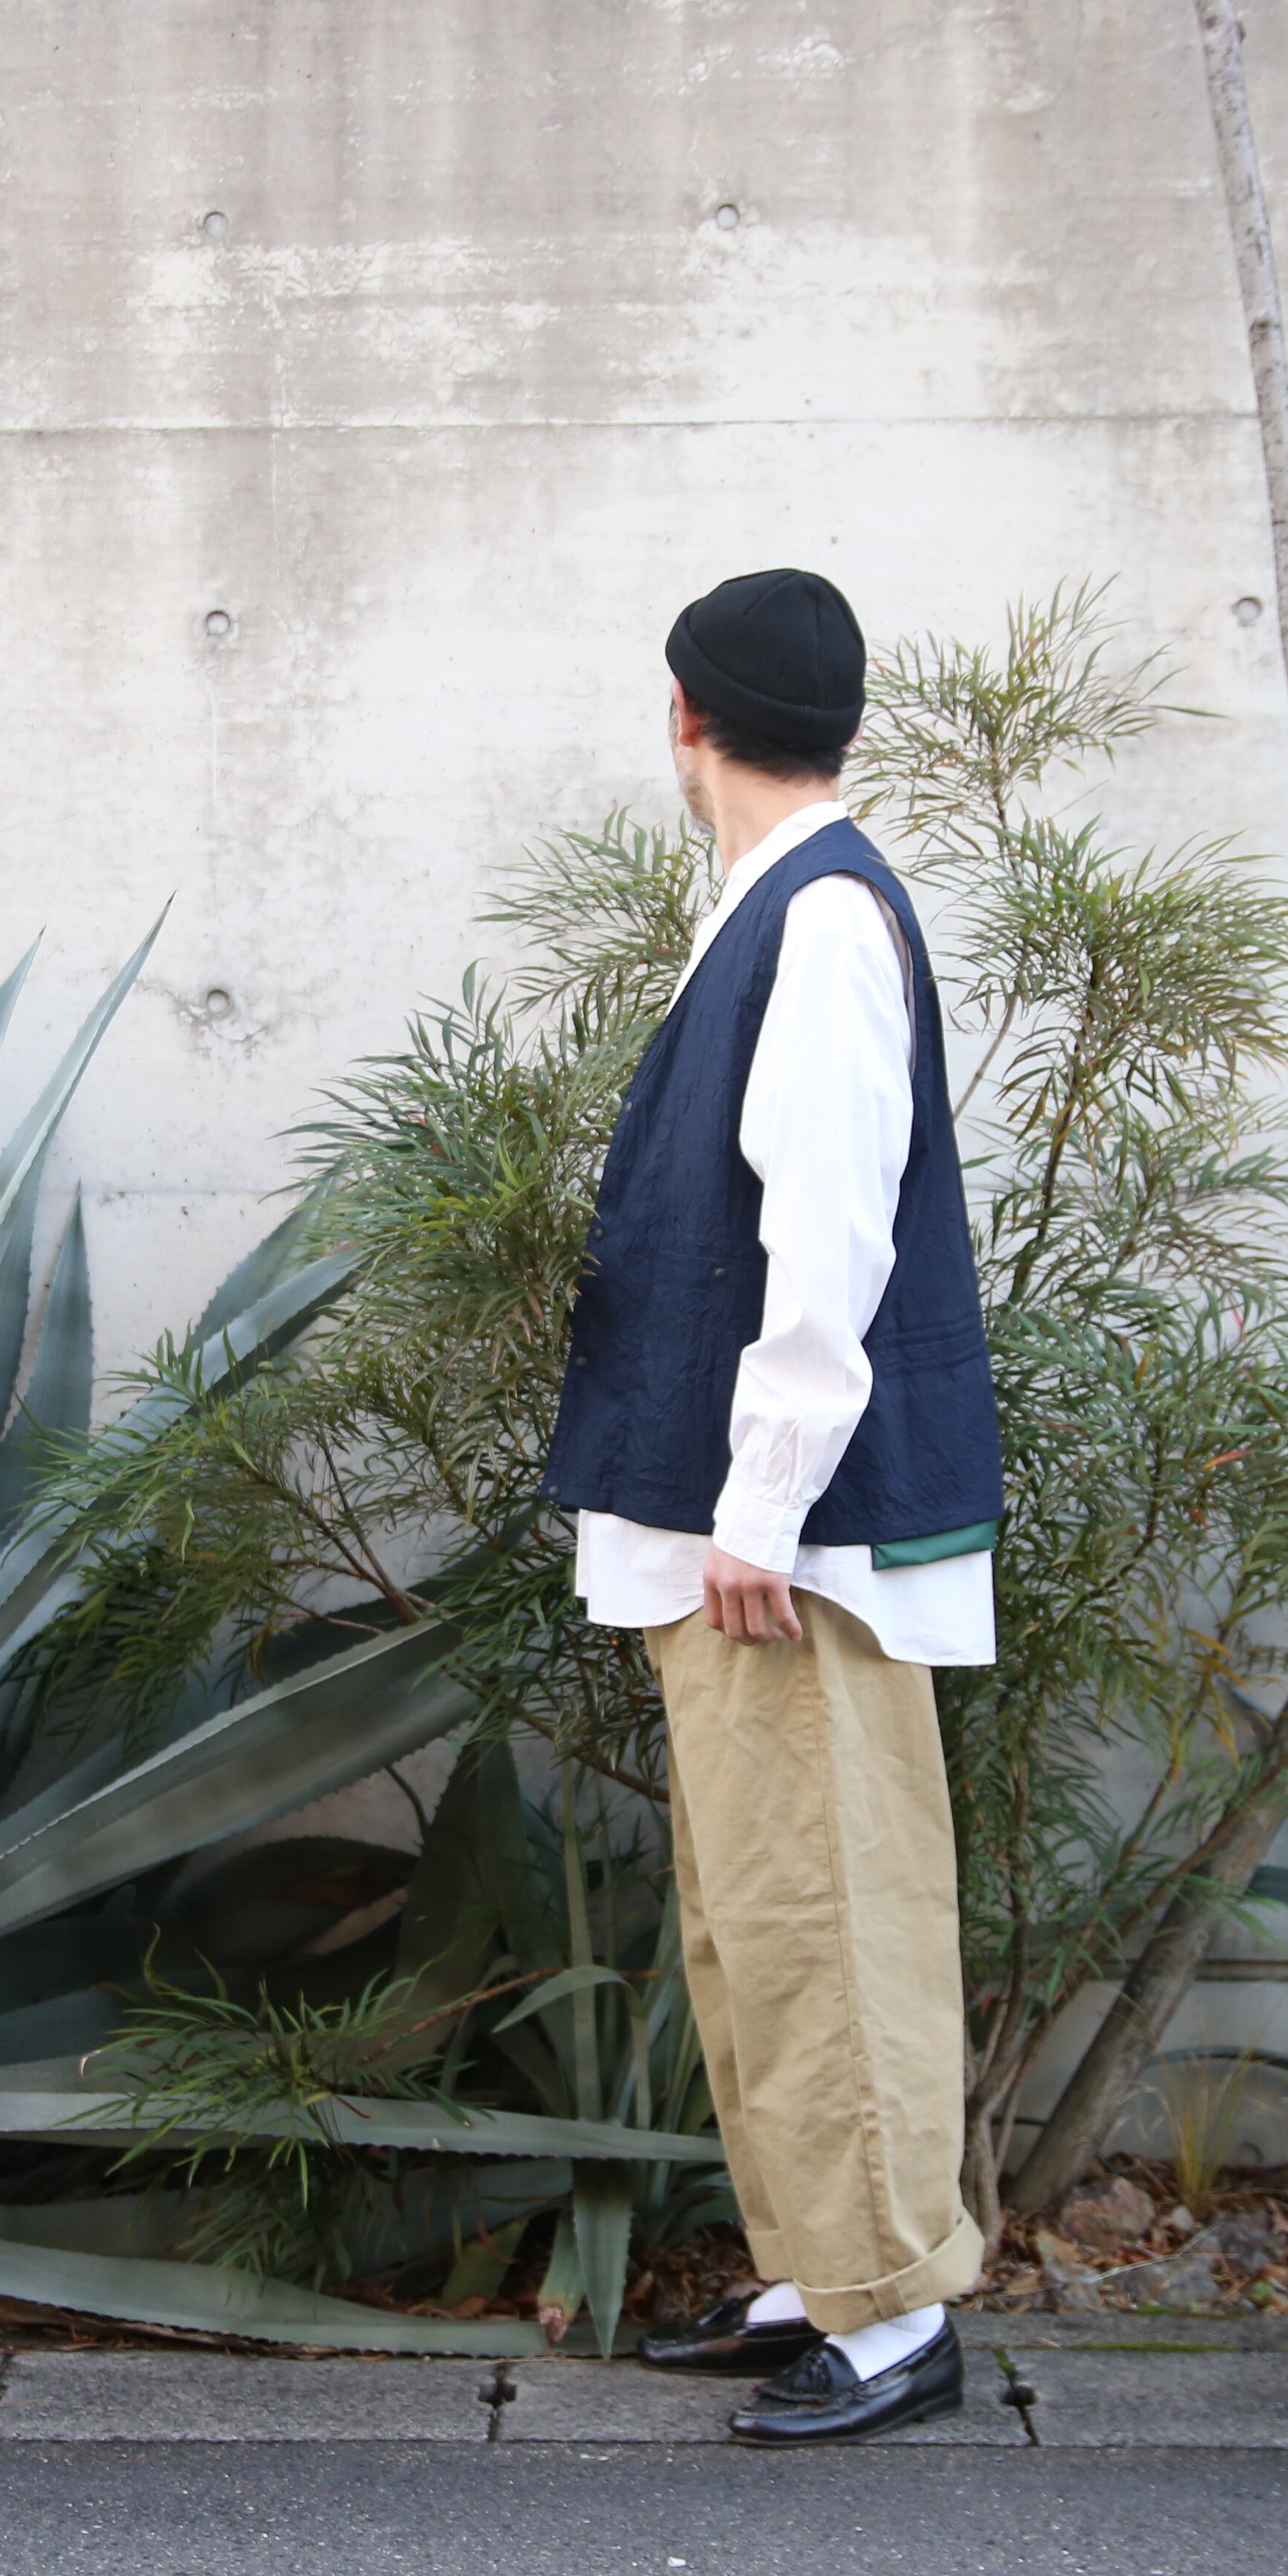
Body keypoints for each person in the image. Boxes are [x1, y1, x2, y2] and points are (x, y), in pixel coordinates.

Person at [537, 568, 1003, 2447]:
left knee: (830, 1913)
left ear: (684, 716)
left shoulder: (817, 919)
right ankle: (825, 2268)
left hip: (786, 1535)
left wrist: (764, 1502)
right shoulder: (775, 905)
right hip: (740, 1522)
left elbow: (832, 1235)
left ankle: (898, 2318)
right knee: (758, 1917)